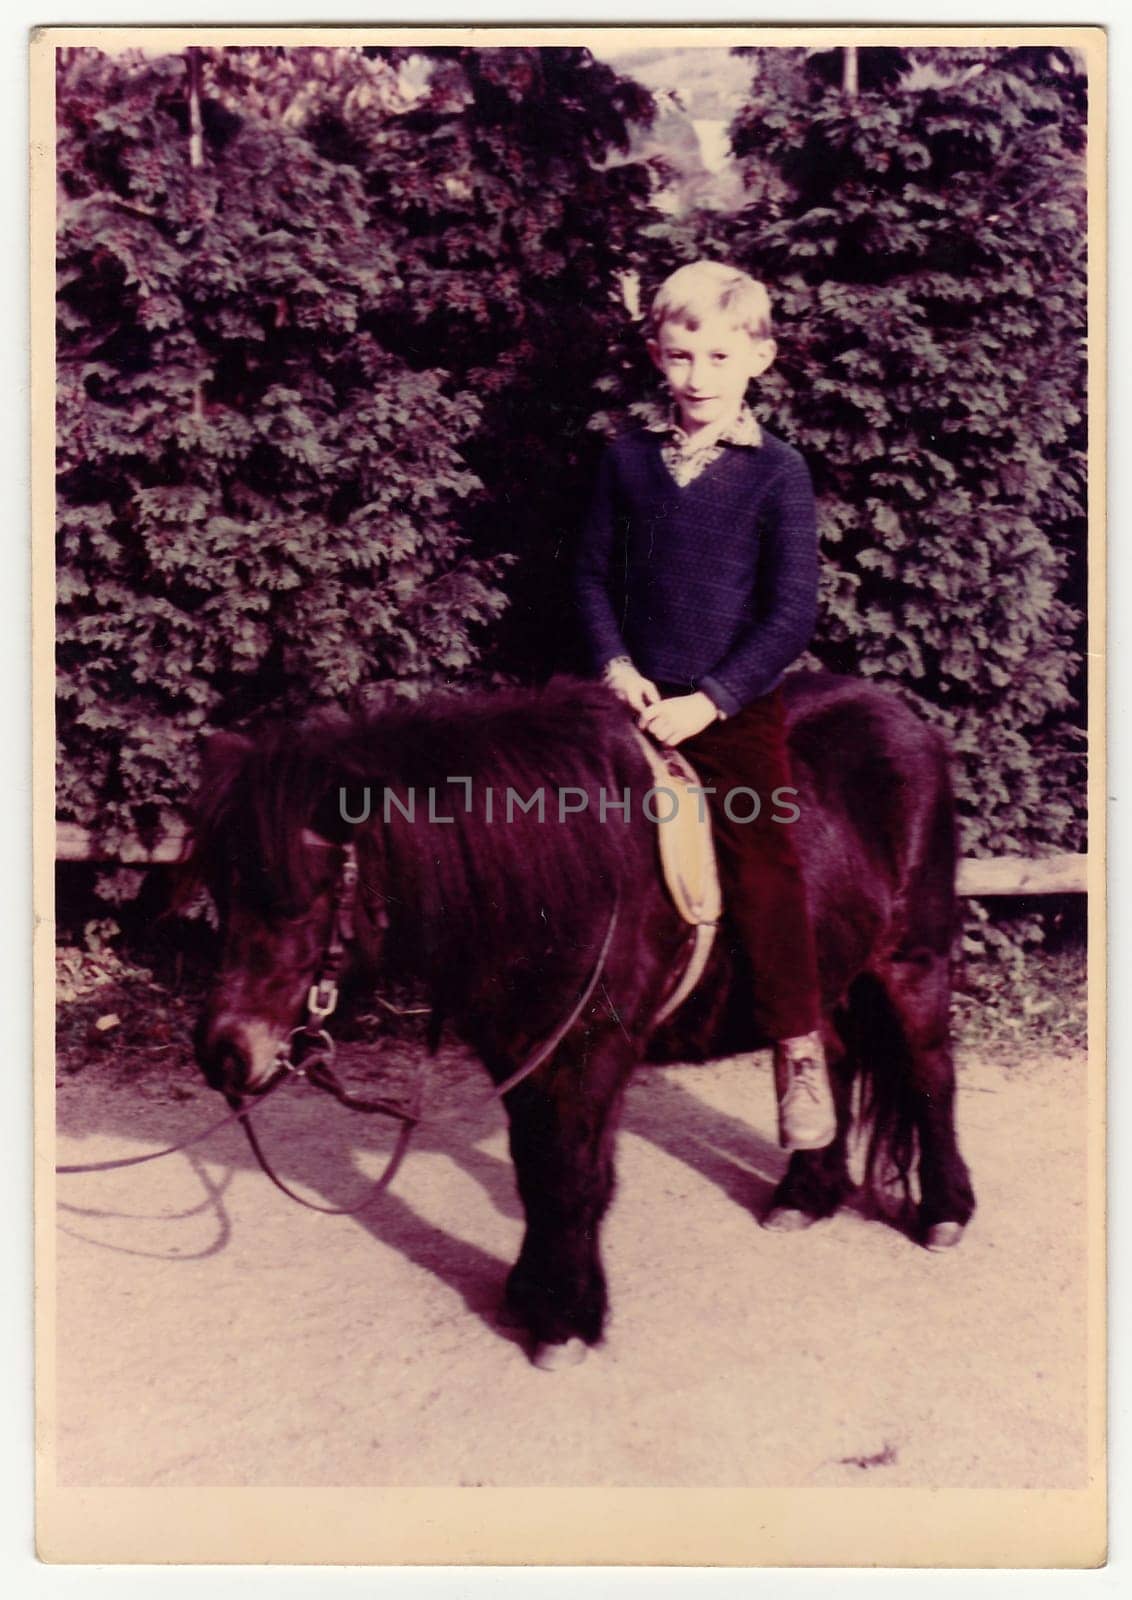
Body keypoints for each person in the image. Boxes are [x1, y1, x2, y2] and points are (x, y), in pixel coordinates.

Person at [575, 259, 835, 1152]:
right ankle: (583, 1023)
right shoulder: (627, 462)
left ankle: (798, 1050)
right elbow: (590, 576)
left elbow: (791, 610)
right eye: (681, 357)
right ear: (657, 355)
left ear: (758, 358)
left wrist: (714, 700)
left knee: (765, 861)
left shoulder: (776, 472)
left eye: (719, 358)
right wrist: (613, 663)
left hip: (731, 707)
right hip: (629, 698)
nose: (697, 377)